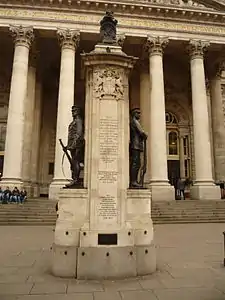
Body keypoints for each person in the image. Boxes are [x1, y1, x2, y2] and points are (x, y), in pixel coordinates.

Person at [65, 105, 84, 188]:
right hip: (72, 145)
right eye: (72, 111)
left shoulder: (79, 121)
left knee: (75, 161)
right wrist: (68, 146)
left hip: (77, 145)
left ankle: (76, 180)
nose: (73, 112)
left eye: (74, 110)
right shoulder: (74, 121)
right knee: (73, 162)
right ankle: (74, 179)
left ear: (78, 112)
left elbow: (79, 133)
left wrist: (73, 144)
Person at [129, 108, 148, 188]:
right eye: (138, 113)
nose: (139, 115)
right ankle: (133, 181)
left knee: (137, 163)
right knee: (135, 163)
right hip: (135, 145)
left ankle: (134, 181)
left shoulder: (135, 122)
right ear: (134, 114)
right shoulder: (135, 122)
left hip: (137, 145)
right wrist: (145, 134)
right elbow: (141, 132)